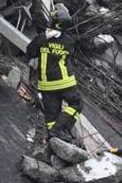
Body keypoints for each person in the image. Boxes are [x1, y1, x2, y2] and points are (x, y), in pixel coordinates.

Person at [26, 8, 82, 143]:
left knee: (51, 119)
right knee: (77, 104)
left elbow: (30, 52)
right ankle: (61, 129)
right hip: (64, 83)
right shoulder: (69, 41)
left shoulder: (42, 38)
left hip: (45, 85)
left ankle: (54, 139)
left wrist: (43, 38)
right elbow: (70, 57)